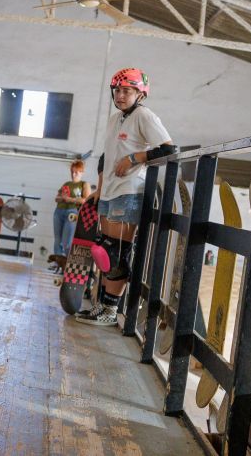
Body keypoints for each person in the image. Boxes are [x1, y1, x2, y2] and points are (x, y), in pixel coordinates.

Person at [76, 68, 174, 327]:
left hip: (129, 191)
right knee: (103, 250)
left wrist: (135, 158)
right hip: (109, 192)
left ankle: (110, 311)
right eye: (117, 90)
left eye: (127, 91)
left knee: (115, 253)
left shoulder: (144, 116)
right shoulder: (114, 119)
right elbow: (105, 157)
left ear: (140, 93)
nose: (120, 95)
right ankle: (103, 306)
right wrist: (98, 188)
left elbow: (168, 149)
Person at [47, 160, 91, 275]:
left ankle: (68, 264)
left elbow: (85, 200)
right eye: (72, 171)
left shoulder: (84, 184)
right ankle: (57, 263)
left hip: (72, 212)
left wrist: (69, 199)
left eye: (76, 172)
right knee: (57, 240)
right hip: (59, 210)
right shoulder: (66, 184)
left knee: (67, 241)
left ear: (82, 172)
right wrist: (63, 198)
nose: (74, 174)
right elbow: (57, 198)